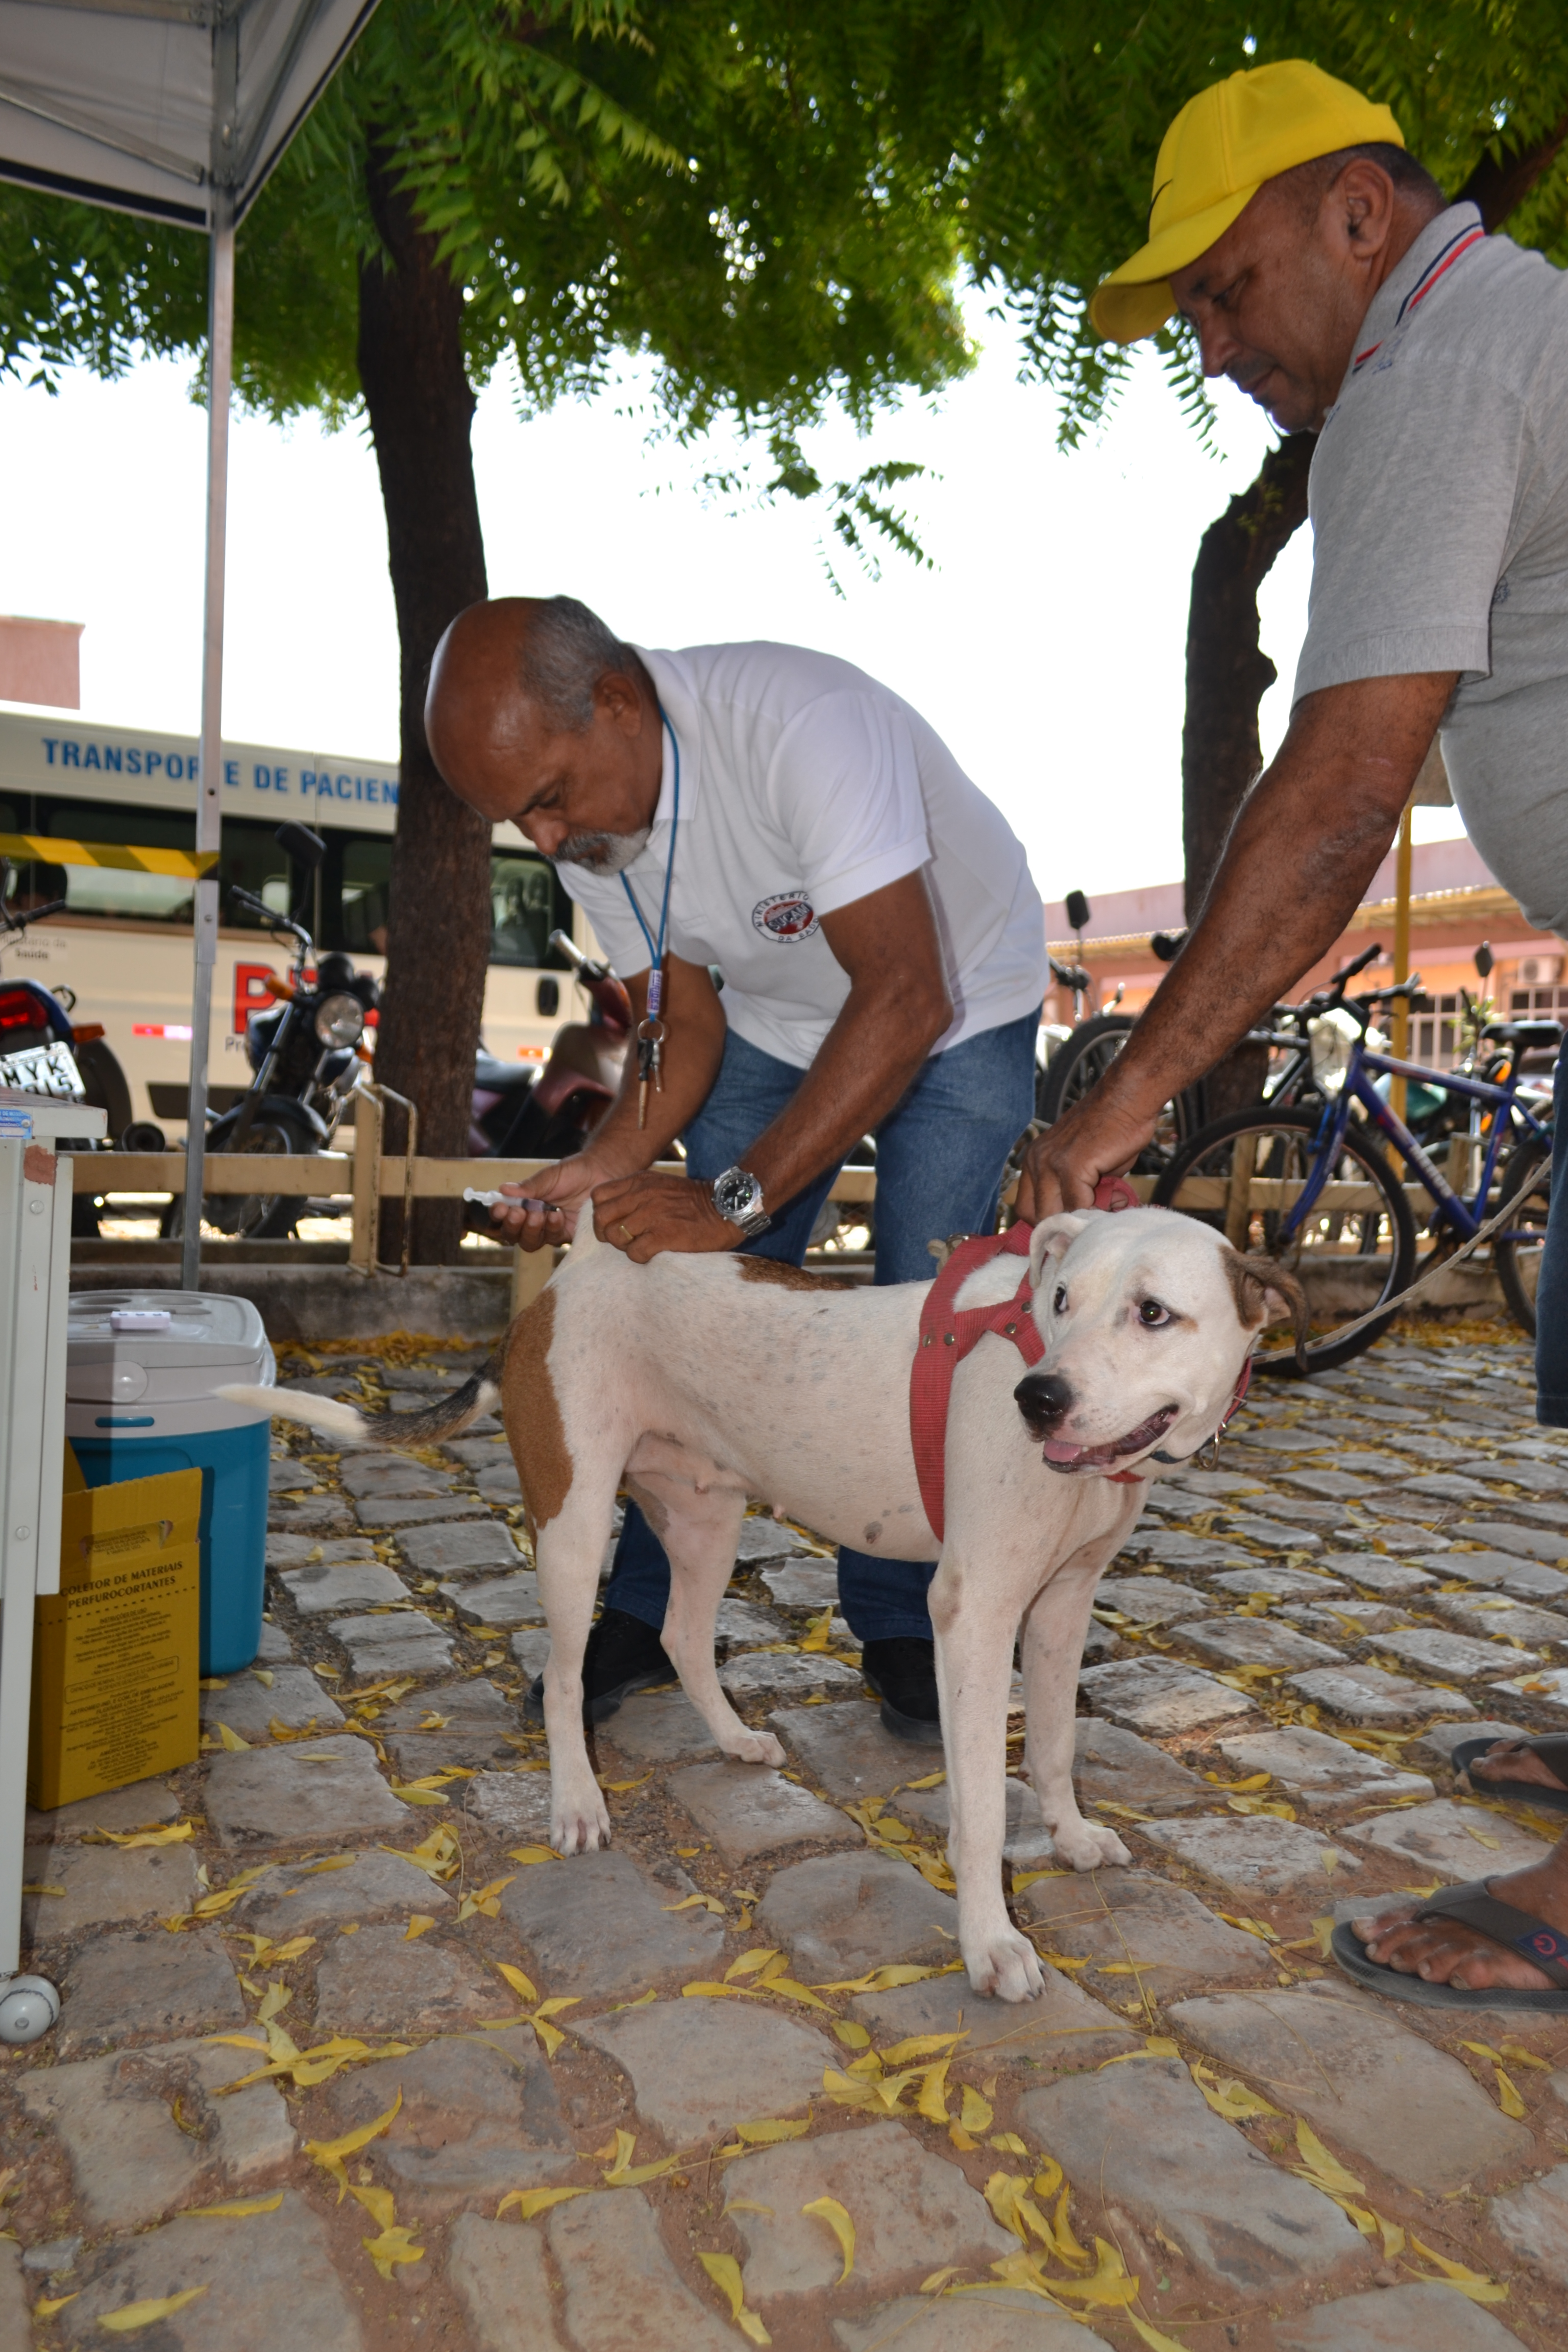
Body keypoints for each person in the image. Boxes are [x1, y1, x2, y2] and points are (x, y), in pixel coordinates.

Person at [1013, 55, 1568, 2006]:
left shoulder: (1437, 366)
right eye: (1189, 318)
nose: (1211, 344)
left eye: (1226, 289)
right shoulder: (1502, 337)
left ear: (1356, 211)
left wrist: (1133, 1092)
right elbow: (1313, 786)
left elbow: (1340, 792)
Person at [425, 595, 1048, 1742]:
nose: (548, 842)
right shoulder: (594, 827)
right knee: (687, 1301)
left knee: (929, 1317)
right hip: (772, 1021)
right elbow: (683, 1021)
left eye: (550, 801)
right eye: (522, 820)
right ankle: (651, 1616)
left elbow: (904, 997)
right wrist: (604, 1164)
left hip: (959, 1004)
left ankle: (908, 1624)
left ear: (618, 703)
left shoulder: (800, 725)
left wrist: (735, 1195)